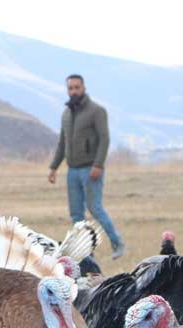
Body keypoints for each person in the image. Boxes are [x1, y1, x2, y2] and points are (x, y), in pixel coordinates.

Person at [48, 74, 125, 258]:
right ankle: (86, 253)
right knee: (76, 214)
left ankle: (117, 243)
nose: (73, 91)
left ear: (84, 88)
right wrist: (54, 167)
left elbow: (104, 139)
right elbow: (62, 142)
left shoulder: (96, 111)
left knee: (95, 208)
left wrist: (98, 164)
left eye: (77, 87)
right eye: (70, 88)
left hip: (90, 169)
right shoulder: (66, 113)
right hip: (72, 170)